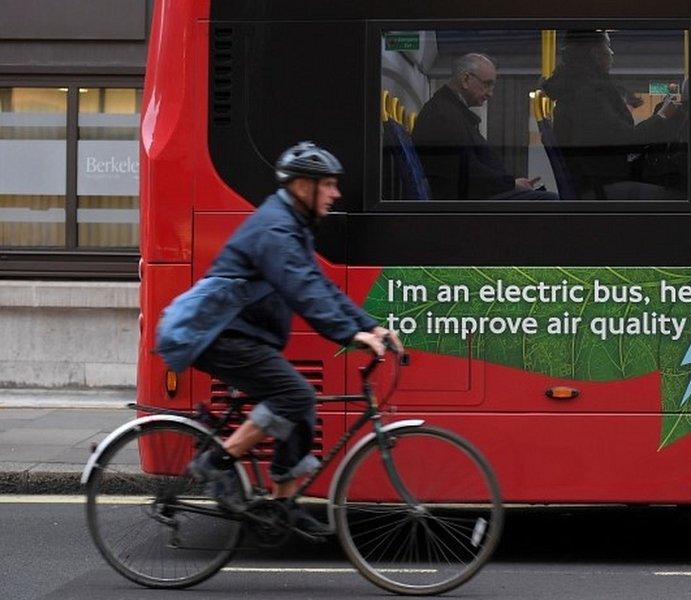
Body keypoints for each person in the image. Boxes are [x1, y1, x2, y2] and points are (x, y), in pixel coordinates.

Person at [187, 141, 402, 540]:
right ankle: (215, 463)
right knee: (296, 395)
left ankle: (284, 505)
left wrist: (371, 327)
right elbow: (303, 291)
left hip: (246, 334)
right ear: (304, 186)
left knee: (301, 407)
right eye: (330, 185)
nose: (336, 194)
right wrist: (348, 334)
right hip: (220, 334)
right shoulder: (276, 229)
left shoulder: (292, 225)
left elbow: (322, 286)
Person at [541, 31, 678, 200]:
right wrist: (662, 116)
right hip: (602, 187)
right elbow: (628, 141)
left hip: (596, 182)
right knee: (683, 198)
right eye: (608, 46)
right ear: (595, 53)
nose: (611, 53)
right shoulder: (588, 95)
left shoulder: (575, 92)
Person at [412, 53, 556, 200]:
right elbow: (468, 175)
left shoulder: (449, 112)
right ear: (466, 79)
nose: (490, 94)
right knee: (549, 201)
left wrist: (510, 183)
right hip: (462, 203)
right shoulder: (443, 117)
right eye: (487, 84)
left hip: (468, 195)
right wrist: (510, 184)